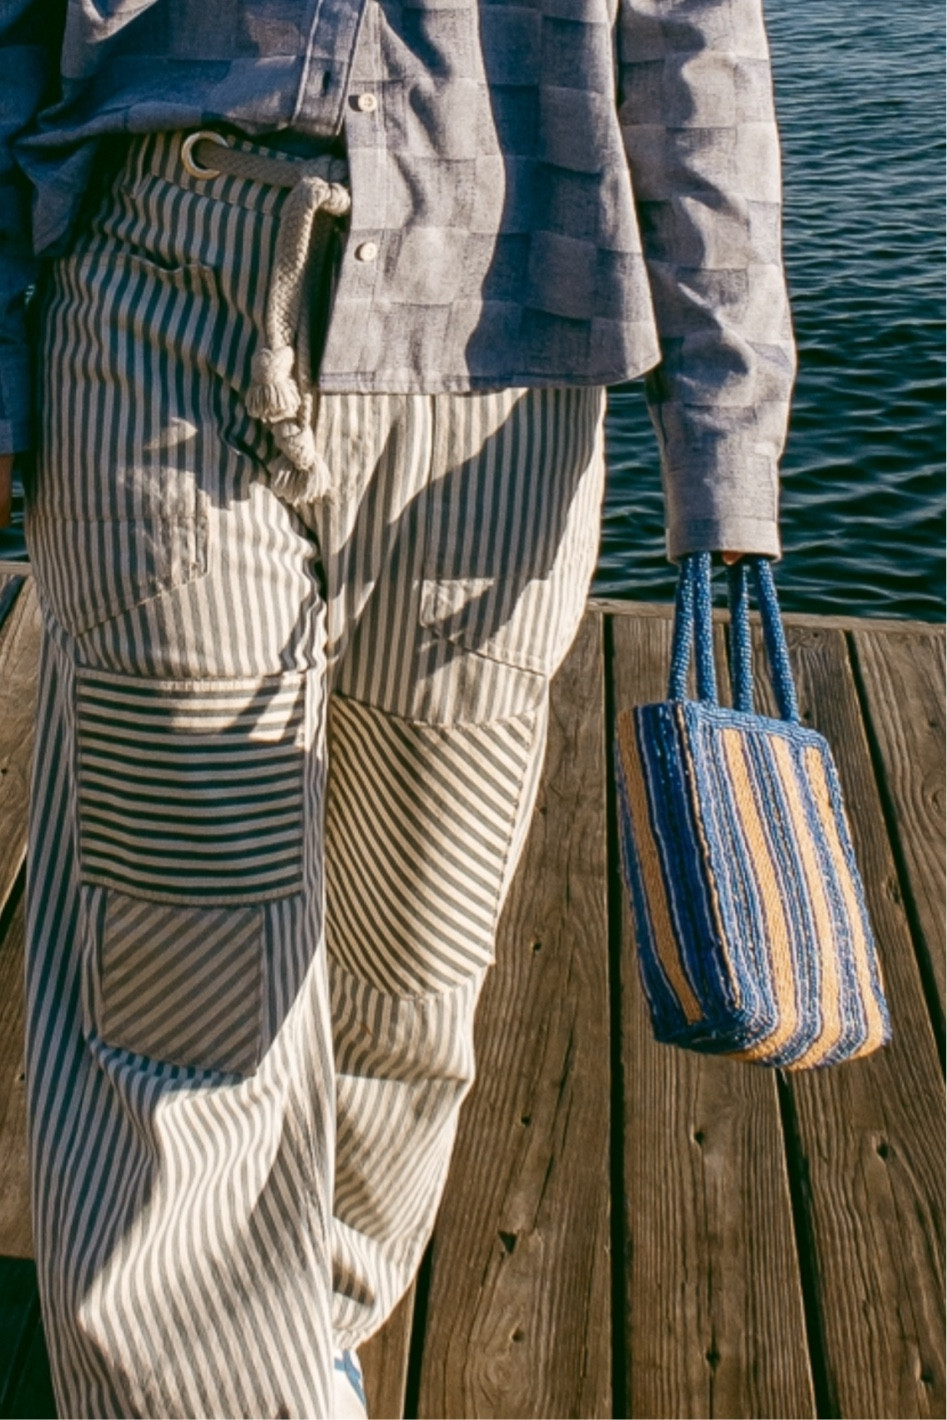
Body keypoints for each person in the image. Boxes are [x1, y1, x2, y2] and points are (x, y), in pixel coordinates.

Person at [0, 1, 795, 1415]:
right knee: (183, 952)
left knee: (410, 970)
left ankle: (306, 1343)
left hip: (514, 348)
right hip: (160, 296)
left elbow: (696, 61)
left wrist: (727, 444)